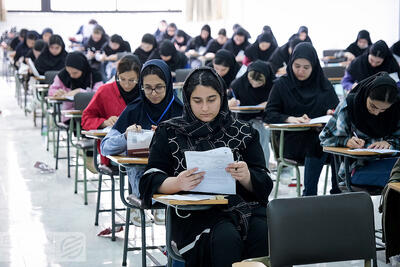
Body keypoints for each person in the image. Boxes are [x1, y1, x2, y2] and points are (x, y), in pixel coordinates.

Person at [139, 67, 273, 267]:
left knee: (265, 234)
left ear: (222, 97)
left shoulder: (244, 132)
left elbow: (263, 183)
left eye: (211, 100)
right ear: (187, 99)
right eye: (197, 101)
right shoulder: (169, 132)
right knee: (225, 239)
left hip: (244, 208)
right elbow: (150, 180)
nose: (205, 108)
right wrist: (177, 182)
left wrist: (246, 176)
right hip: (194, 215)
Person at [100, 59, 183, 225]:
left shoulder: (180, 110)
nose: (153, 93)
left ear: (168, 84)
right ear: (141, 87)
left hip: (174, 179)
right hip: (141, 177)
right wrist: (125, 136)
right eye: (147, 88)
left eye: (159, 87)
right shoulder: (134, 109)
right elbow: (105, 147)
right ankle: (150, 200)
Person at [263, 42, 340, 196]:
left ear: (314, 67)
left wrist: (331, 113)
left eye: (306, 67)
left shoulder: (323, 85)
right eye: (297, 66)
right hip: (290, 140)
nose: (300, 71)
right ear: (291, 63)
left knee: (336, 144)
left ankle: (337, 192)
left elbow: (337, 111)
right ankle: (309, 194)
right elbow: (268, 114)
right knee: (319, 142)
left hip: (319, 138)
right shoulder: (282, 85)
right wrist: (290, 118)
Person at [320, 72, 400, 187]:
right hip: (359, 167)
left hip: (392, 163)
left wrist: (389, 143)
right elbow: (325, 137)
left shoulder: (396, 109)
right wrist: (346, 141)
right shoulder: (350, 106)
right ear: (366, 94)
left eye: (383, 110)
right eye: (373, 106)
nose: (377, 113)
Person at [82, 55, 142, 166]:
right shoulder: (105, 91)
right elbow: (86, 119)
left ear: (139, 78)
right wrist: (103, 122)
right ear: (117, 75)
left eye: (132, 80)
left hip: (142, 148)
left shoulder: (145, 93)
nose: (126, 84)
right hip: (115, 152)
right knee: (136, 167)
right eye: (122, 79)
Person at [229, 60, 276, 166]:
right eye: (251, 81)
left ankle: (263, 166)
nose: (254, 85)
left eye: (259, 83)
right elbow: (227, 102)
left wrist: (270, 103)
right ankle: (258, 165)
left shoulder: (274, 85)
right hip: (244, 118)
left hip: (268, 119)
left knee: (263, 131)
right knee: (257, 130)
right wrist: (232, 102)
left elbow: (282, 103)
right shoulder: (238, 84)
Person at [49, 52, 103, 122]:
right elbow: (51, 90)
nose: (71, 76)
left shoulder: (95, 75)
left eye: (75, 73)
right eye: (69, 72)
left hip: (91, 114)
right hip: (69, 114)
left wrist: (79, 92)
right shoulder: (63, 75)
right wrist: (56, 92)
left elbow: (99, 95)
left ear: (82, 68)